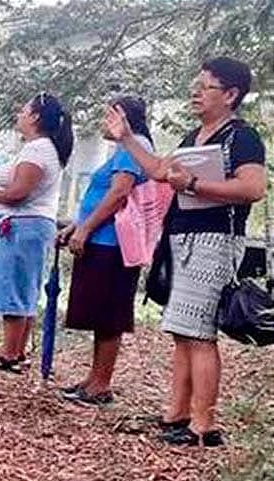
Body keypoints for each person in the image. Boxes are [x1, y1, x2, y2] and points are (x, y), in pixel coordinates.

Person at [105, 57, 266, 446]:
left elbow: (252, 188)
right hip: (182, 237)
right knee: (182, 330)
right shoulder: (195, 136)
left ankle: (204, 425)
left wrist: (194, 185)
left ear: (230, 94)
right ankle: (176, 414)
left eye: (206, 86)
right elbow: (160, 171)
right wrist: (126, 138)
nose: (196, 93)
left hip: (214, 240)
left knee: (199, 333)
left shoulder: (241, 137)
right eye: (196, 85)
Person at [56, 97, 153, 406]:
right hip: (103, 239)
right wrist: (77, 225)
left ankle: (101, 384)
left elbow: (119, 192)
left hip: (113, 243)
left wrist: (86, 229)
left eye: (109, 116)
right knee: (99, 313)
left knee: (108, 314)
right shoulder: (126, 148)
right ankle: (94, 378)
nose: (104, 123)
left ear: (124, 118)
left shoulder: (134, 146)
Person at [0, 92, 74, 373]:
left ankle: (8, 353)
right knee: (26, 286)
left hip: (24, 226)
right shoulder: (44, 148)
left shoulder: (37, 149)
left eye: (23, 110)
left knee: (14, 285)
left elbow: (19, 193)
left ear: (35, 117)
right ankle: (16, 350)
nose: (19, 115)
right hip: (33, 225)